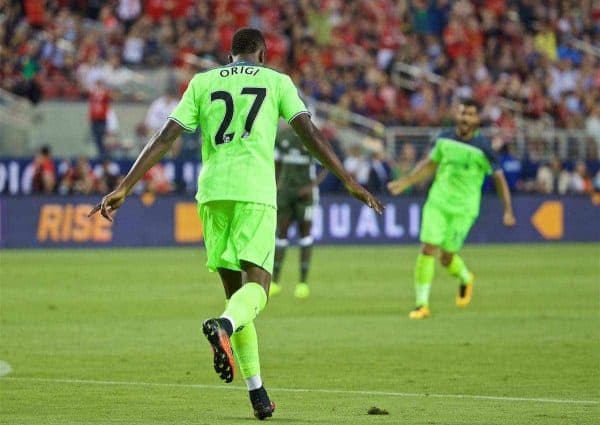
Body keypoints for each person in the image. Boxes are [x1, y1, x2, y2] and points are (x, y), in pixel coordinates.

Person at [89, 28, 383, 420]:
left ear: (230, 56)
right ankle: (222, 326)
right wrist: (347, 180)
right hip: (255, 193)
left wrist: (125, 186)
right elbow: (308, 132)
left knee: (236, 300)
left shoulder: (202, 81)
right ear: (261, 54)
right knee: (255, 293)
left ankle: (257, 392)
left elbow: (166, 136)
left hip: (212, 195)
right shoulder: (277, 81)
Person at [388, 99, 515, 319]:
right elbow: (430, 164)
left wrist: (508, 210)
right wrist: (406, 182)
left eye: (471, 114)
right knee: (428, 248)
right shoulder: (444, 138)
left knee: (446, 257)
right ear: (457, 115)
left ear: (477, 120)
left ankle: (466, 277)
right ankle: (421, 305)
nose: (465, 117)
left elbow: (499, 179)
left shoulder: (483, 148)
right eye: (463, 112)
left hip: (464, 209)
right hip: (438, 202)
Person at [270, 124, 328, 299]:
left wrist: (310, 187)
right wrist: (277, 184)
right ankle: (275, 282)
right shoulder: (282, 137)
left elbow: (327, 165)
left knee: (305, 235)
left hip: (306, 195)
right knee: (281, 234)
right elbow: (276, 162)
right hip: (285, 193)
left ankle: (303, 283)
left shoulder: (310, 138)